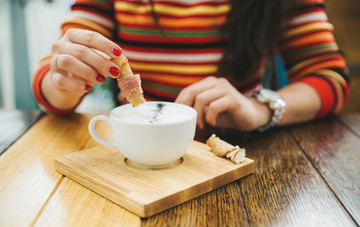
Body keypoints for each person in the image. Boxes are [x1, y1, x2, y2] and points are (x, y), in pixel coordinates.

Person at [31, 0, 350, 132]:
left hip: (242, 149)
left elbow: (329, 76)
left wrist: (259, 110)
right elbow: (50, 79)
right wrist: (63, 82)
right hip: (134, 147)